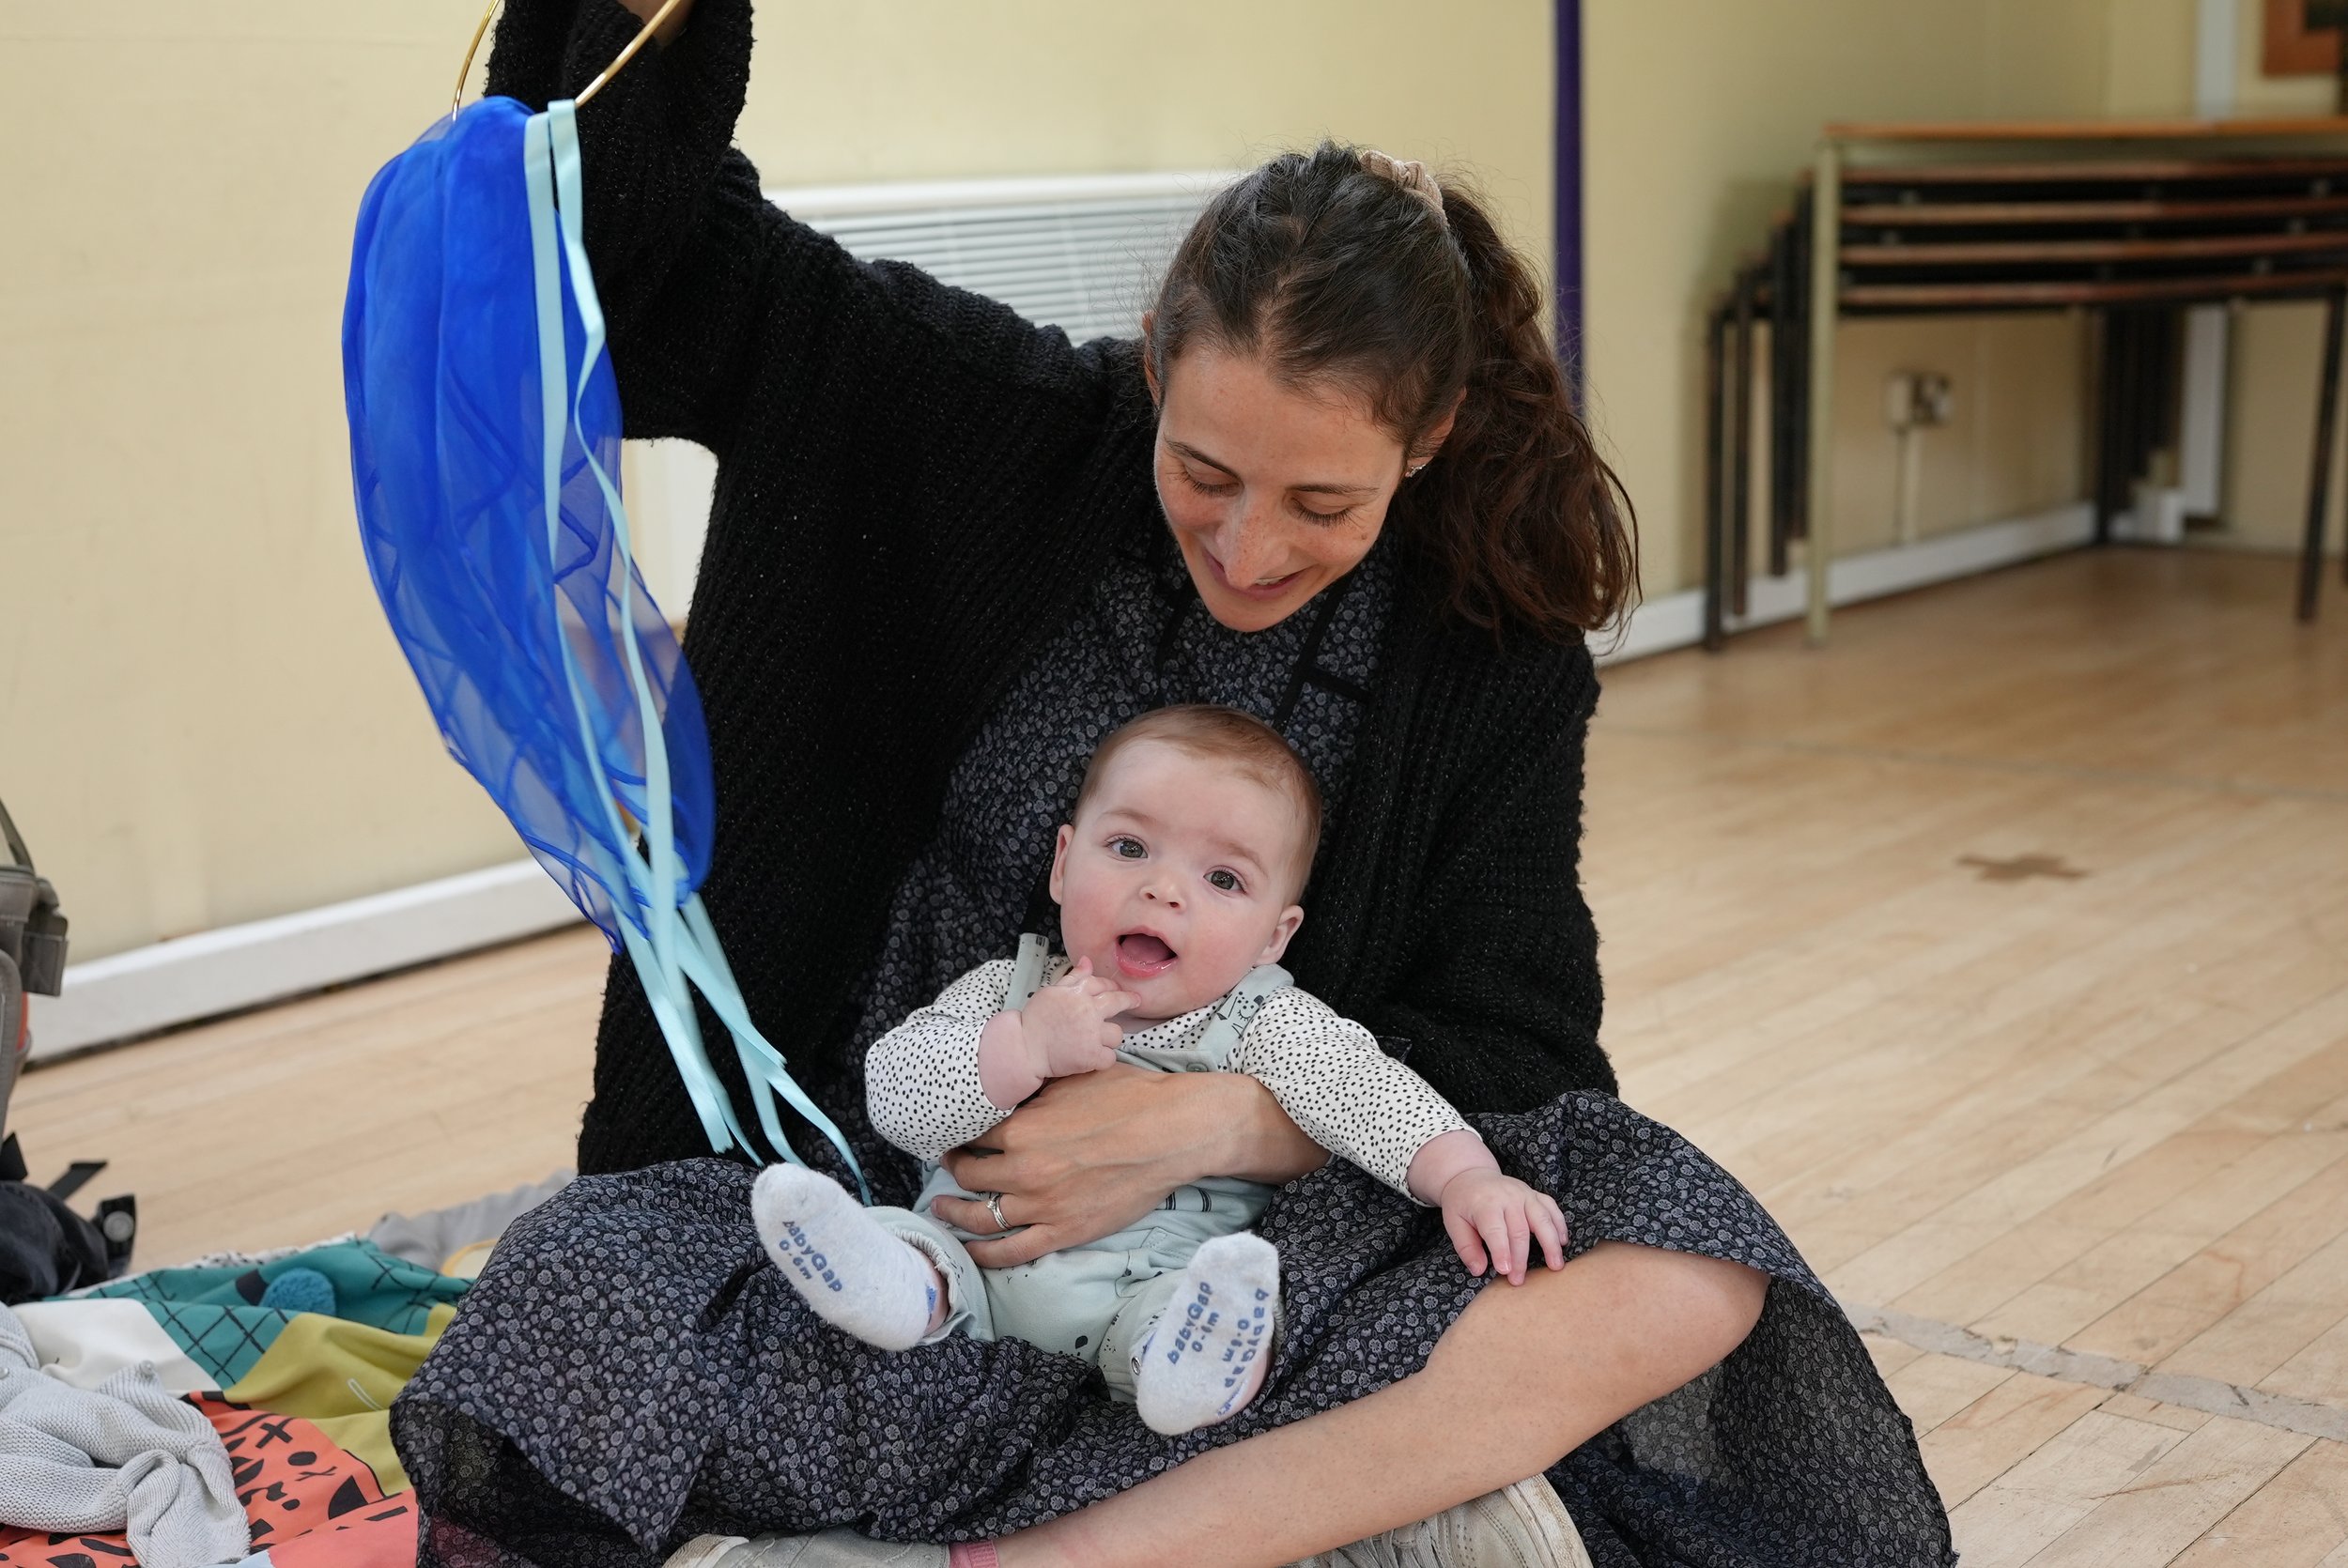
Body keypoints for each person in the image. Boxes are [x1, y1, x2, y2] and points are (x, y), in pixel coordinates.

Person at [391, 2, 1954, 1564]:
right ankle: (1260, 1517)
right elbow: (648, 270)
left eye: (1322, 502)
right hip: (885, 1201)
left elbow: (1520, 1044)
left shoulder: (1487, 654)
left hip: (1229, 1273)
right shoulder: (979, 421)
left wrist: (1217, 1126)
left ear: (1432, 439)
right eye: (1203, 472)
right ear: (1153, 366)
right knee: (569, 1283)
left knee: (1686, 1263)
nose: (1248, 545)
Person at [756, 706, 1569, 1441]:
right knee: (916, 1245)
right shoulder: (1008, 991)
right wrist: (1022, 1049)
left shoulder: (1265, 1023)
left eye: (1223, 880)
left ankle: (1198, 1362)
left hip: (1144, 1292)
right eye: (1130, 847)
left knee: (1189, 1308)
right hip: (967, 1266)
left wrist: (1467, 1178)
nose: (1163, 888)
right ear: (1063, 864)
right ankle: (888, 1288)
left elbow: (1371, 1095)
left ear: (1273, 937)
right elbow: (895, 1097)